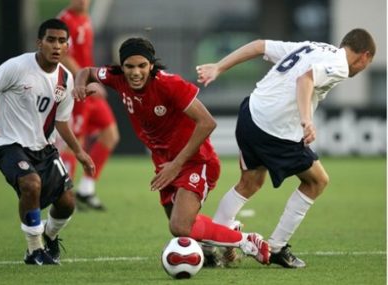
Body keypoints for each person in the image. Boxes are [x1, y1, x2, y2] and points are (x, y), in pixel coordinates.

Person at [72, 37, 271, 265]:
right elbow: (87, 71)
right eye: (129, 66)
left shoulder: (169, 84)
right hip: (164, 163)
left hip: (196, 160)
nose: (135, 72)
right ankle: (216, 244)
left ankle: (248, 241)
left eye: (142, 66)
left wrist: (176, 165)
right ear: (121, 66)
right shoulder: (116, 77)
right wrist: (79, 84)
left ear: (151, 65)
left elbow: (207, 122)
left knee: (179, 226)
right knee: (183, 227)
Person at [196, 28, 376, 268]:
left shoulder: (312, 46)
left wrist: (219, 66)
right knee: (317, 181)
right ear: (364, 56)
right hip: (275, 130)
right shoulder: (341, 65)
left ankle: (209, 246)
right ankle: (278, 247)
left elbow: (260, 44)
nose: (363, 68)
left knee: (250, 183)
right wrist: (306, 120)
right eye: (368, 63)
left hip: (251, 113)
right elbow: (306, 79)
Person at [0, 18, 96, 265]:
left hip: (44, 148)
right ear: (39, 42)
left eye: (62, 41)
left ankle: (49, 237)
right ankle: (33, 249)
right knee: (31, 184)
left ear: (68, 46)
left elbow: (61, 122)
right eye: (51, 40)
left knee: (67, 204)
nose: (57, 46)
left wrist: (79, 152)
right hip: (8, 144)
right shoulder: (16, 66)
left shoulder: (66, 79)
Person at [58, 0, 120, 211]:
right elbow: (64, 56)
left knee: (110, 134)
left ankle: (86, 190)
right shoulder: (64, 21)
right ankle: (62, 194)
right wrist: (85, 80)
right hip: (76, 88)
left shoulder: (85, 18)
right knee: (75, 141)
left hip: (89, 87)